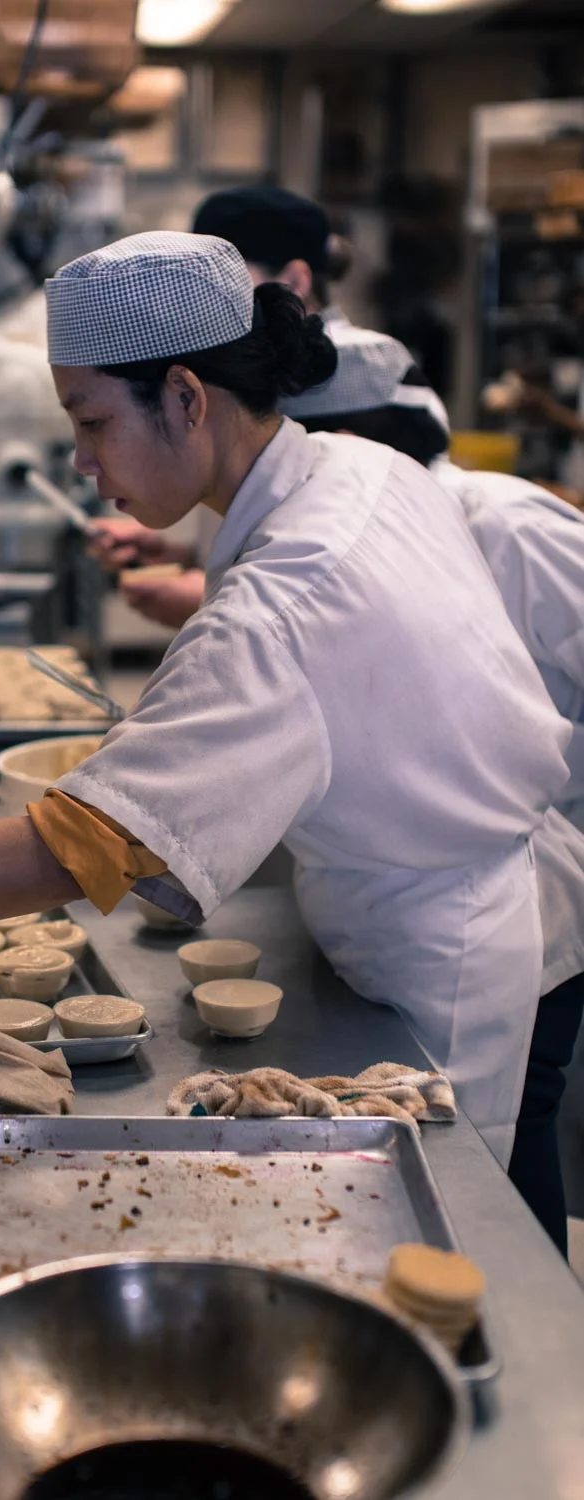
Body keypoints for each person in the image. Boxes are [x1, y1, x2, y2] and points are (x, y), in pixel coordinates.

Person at [0, 232, 584, 1253]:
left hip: (433, 961)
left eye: (90, 421)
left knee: (444, 1253)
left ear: (185, 397)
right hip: (472, 902)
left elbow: (67, 852)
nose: (81, 462)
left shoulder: (279, 606)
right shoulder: (357, 469)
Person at [281, 320, 584, 1251]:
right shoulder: (364, 543)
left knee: (504, 1158)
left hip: (531, 893)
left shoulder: (507, 522)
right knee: (471, 1160)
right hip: (424, 903)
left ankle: (539, 1321)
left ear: (344, 447)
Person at [89, 186, 356, 629]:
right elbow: (266, 519)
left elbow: (336, 572)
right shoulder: (247, 367)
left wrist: (207, 598)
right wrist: (185, 557)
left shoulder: (356, 379)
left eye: (225, 282)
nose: (200, 306)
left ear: (294, 281)